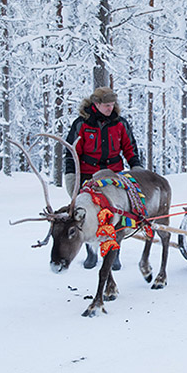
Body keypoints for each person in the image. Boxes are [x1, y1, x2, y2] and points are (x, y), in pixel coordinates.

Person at [64, 87, 143, 270]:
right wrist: (70, 176)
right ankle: (91, 252)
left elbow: (130, 147)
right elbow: (71, 153)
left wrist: (136, 168)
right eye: (107, 105)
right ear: (96, 104)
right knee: (86, 216)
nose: (110, 108)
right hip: (87, 176)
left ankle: (114, 252)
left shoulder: (120, 123)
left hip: (113, 177)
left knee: (117, 215)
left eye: (112, 105)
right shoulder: (81, 124)